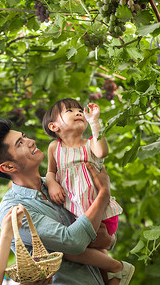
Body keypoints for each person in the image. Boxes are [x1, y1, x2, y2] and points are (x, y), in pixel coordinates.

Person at [0, 119, 134, 285]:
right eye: (20, 143)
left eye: (24, 137)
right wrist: (104, 193)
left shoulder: (61, 183)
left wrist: (109, 239)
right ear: (8, 167)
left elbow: (100, 227)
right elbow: (73, 242)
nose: (31, 141)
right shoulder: (14, 209)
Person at [42, 98, 133, 283]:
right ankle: (116, 275)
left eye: (79, 109)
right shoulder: (54, 148)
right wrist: (52, 184)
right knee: (98, 257)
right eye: (69, 110)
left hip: (102, 212)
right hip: (78, 213)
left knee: (72, 250)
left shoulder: (90, 143)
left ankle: (120, 268)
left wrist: (94, 122)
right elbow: (50, 172)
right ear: (54, 126)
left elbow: (102, 153)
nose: (78, 112)